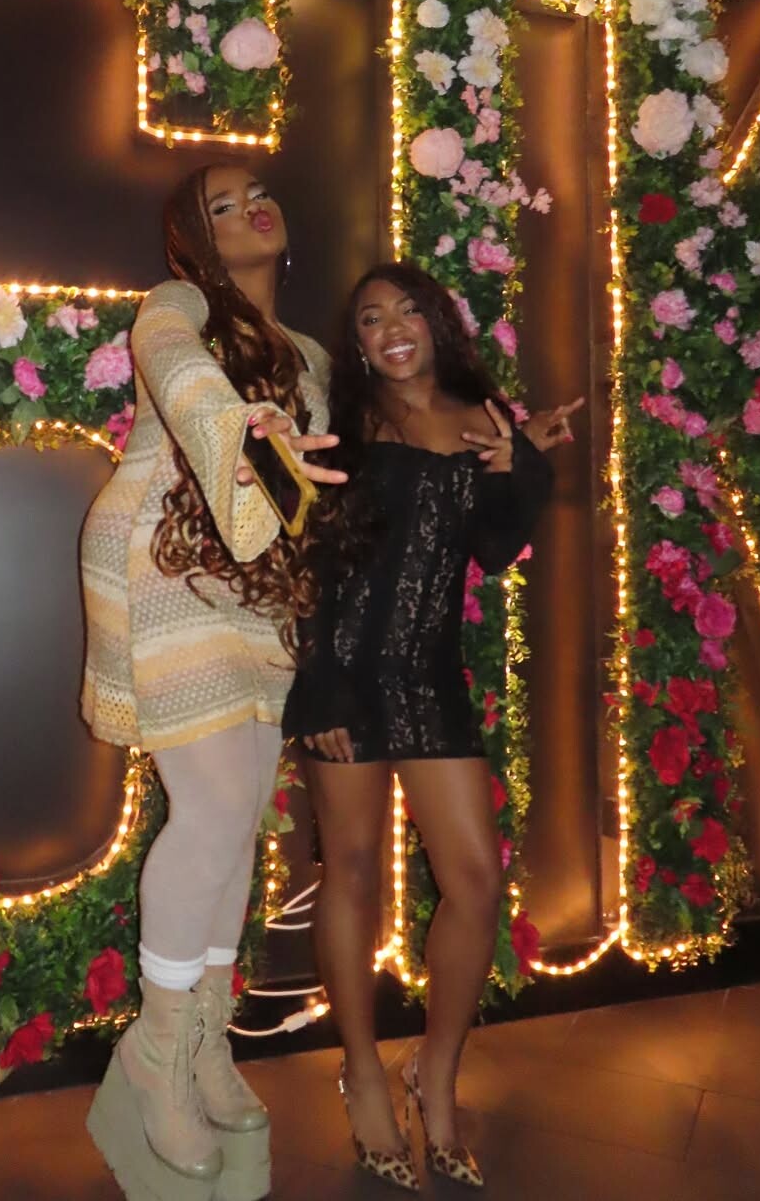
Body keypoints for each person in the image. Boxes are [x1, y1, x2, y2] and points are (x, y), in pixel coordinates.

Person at [283, 260, 582, 1191]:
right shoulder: (346, 419)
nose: (392, 329)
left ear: (436, 322)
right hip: (345, 672)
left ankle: (436, 1071)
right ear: (358, 343)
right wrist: (319, 685)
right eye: (371, 318)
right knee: (352, 871)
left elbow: (493, 548)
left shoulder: (481, 414)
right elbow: (312, 560)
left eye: (407, 310)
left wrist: (518, 463)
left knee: (477, 882)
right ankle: (363, 1071)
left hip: (429, 678)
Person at [81, 164, 345, 1201]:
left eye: (259, 193)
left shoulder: (312, 354)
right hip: (168, 552)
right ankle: (156, 1048)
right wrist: (241, 426)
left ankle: (203, 1038)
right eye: (221, 205)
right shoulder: (179, 302)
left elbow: (335, 476)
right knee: (216, 804)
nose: (250, 208)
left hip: (261, 585)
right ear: (194, 237)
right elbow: (175, 365)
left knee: (239, 820)